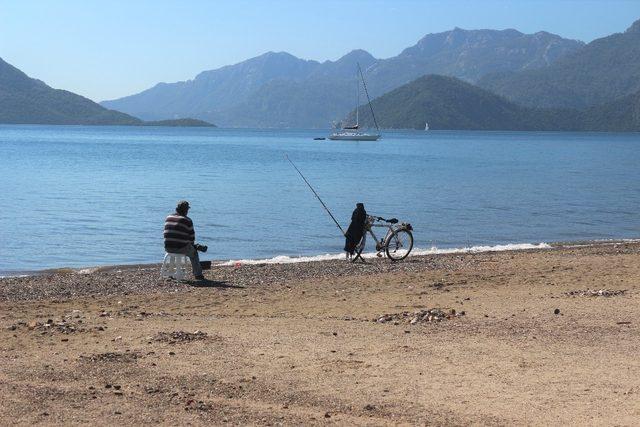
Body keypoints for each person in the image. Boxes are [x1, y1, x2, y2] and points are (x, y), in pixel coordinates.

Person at [164, 200, 204, 280]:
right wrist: (195, 246)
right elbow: (192, 238)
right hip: (180, 248)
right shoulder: (187, 220)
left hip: (168, 248)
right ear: (186, 210)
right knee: (194, 253)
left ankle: (170, 273)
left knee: (177, 248)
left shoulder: (168, 217)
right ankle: (198, 274)